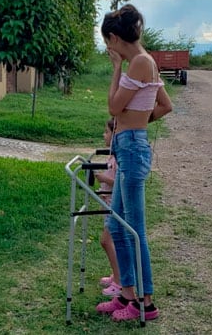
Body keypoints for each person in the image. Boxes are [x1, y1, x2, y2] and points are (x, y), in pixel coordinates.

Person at [95, 4, 173, 322]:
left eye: (107, 43)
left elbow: (114, 107)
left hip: (130, 148)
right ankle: (127, 294)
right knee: (117, 225)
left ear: (115, 38)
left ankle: (146, 303)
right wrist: (139, 120)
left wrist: (116, 71)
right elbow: (165, 104)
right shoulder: (145, 62)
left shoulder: (139, 62)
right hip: (129, 144)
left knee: (133, 228)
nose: (108, 49)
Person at [95, 118, 121, 297]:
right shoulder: (112, 155)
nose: (104, 135)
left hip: (115, 206)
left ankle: (119, 282)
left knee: (106, 241)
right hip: (109, 203)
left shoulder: (118, 158)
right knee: (112, 242)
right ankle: (117, 275)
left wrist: (103, 179)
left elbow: (119, 182)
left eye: (107, 132)